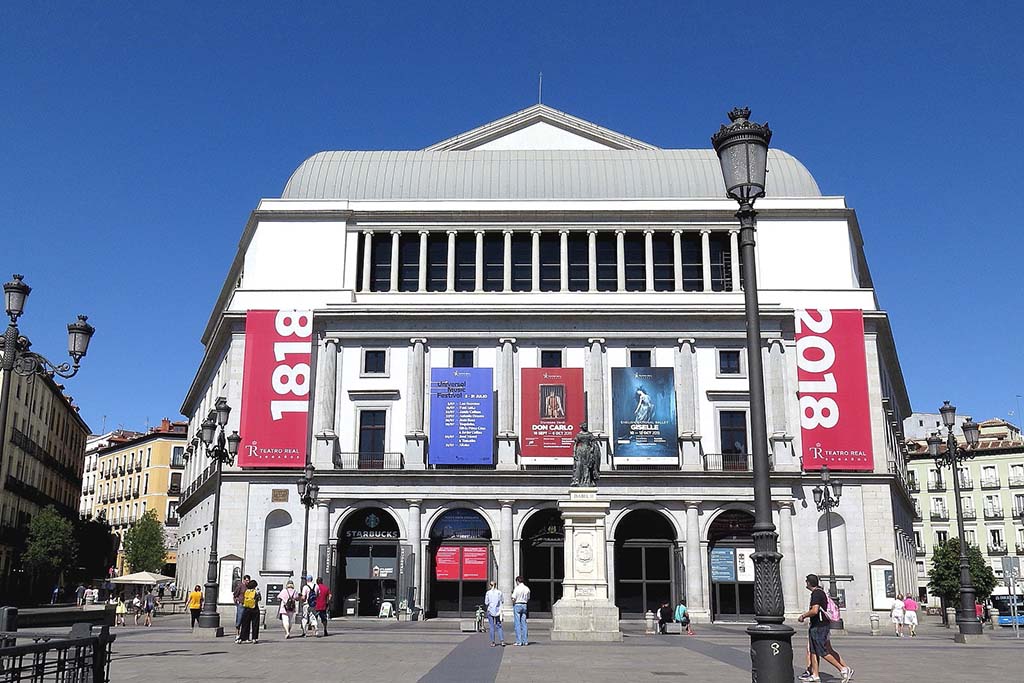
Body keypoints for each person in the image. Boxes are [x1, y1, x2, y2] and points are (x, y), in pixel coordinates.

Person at [798, 574, 853, 683]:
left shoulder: (816, 594)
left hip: (819, 626)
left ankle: (843, 669)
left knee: (822, 651)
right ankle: (815, 675)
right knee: (813, 651)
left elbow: (814, 610)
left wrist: (803, 616)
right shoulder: (819, 592)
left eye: (806, 581)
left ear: (809, 583)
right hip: (817, 625)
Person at [237, 579, 261, 644]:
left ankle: (243, 638)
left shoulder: (246, 591)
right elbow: (259, 599)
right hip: (254, 608)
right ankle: (254, 638)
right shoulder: (256, 591)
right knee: (255, 624)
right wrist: (258, 593)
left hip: (246, 608)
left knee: (245, 624)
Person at [484, 581, 505, 647]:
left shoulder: (488, 593)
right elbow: (502, 601)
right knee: (499, 626)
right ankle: (502, 641)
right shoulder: (499, 592)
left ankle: (493, 642)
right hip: (498, 611)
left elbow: (486, 602)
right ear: (496, 585)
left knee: (491, 626)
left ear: (490, 585)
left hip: (490, 610)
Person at [511, 576, 530, 646]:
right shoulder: (527, 588)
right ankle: (525, 641)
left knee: (517, 623)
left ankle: (519, 641)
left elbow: (513, 598)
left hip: (517, 604)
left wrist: (513, 601)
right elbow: (528, 598)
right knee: (524, 623)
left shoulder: (517, 588)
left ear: (517, 581)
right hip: (524, 605)